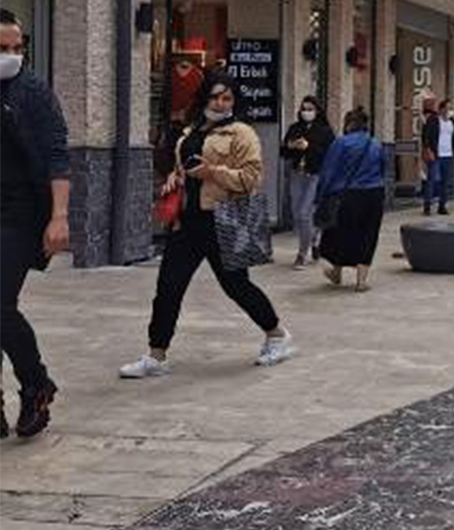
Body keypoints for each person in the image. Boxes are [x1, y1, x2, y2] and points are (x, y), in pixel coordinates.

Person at [120, 73, 291, 379]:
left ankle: (277, 334)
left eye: (226, 98)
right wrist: (177, 177)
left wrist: (212, 172)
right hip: (187, 221)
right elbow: (182, 167)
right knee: (168, 286)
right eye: (214, 97)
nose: (220, 103)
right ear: (204, 98)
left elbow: (251, 178)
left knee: (236, 285)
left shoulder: (242, 133)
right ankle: (156, 354)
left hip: (224, 219)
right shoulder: (191, 130)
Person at [1, 8, 70, 437]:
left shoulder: (32, 91)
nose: (11, 55)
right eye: (2, 48)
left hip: (20, 211)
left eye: (17, 48)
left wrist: (59, 216)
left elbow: (58, 154)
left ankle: (36, 384)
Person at [316, 107, 385, 293]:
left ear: (348, 124)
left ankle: (336, 272)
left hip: (348, 195)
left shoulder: (341, 143)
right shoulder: (376, 144)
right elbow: (383, 169)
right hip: (374, 194)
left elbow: (328, 172)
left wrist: (321, 196)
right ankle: (361, 281)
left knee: (339, 233)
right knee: (368, 234)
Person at [281, 95, 334, 268]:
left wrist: (308, 147)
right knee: (297, 213)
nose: (306, 112)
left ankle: (301, 254)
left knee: (305, 213)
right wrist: (290, 146)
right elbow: (283, 151)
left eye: (310, 109)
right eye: (304, 109)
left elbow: (329, 155)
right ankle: (315, 239)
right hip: (297, 173)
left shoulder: (325, 131)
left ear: (317, 111)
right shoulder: (295, 128)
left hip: (315, 175)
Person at [422, 98, 454, 215]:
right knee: (432, 180)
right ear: (441, 109)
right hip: (436, 155)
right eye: (448, 108)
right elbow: (426, 136)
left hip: (448, 155)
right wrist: (428, 150)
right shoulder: (433, 120)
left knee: (445, 181)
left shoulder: (452, 122)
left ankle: (442, 205)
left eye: (451, 108)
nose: (450, 110)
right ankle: (427, 205)